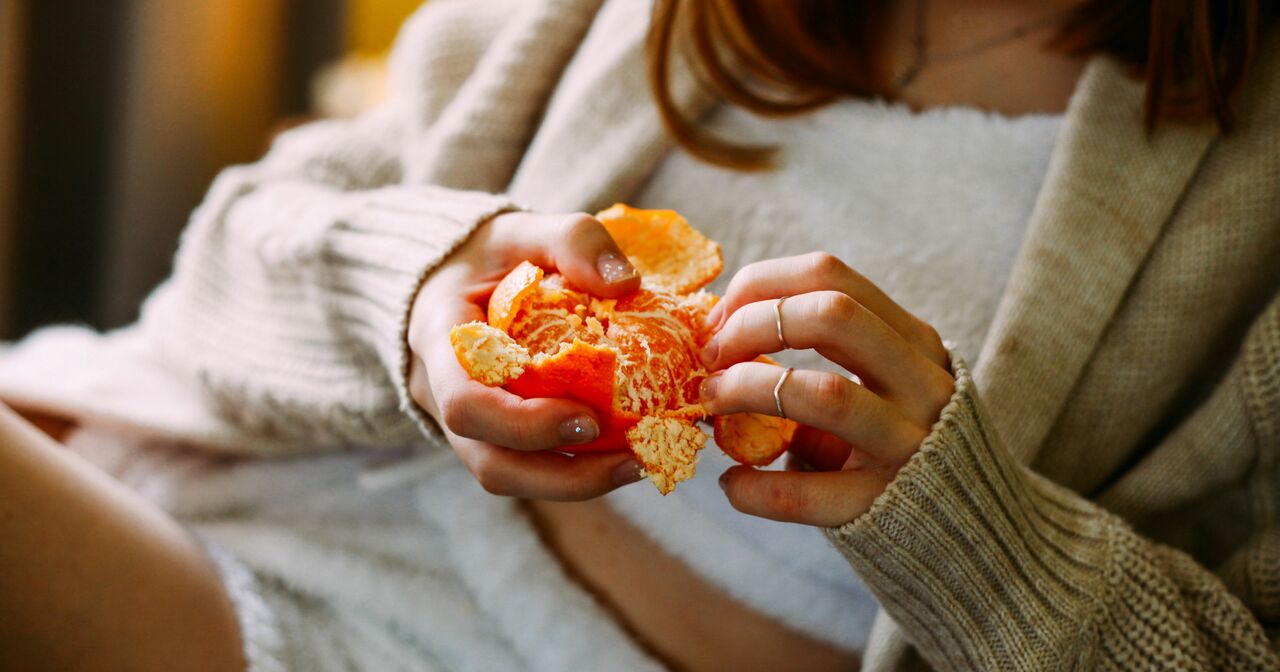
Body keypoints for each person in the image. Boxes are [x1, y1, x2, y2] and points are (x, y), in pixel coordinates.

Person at [0, 0, 1277, 669]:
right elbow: (231, 247)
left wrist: (975, 535)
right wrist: (413, 293)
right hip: (240, 502)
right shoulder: (634, 13)